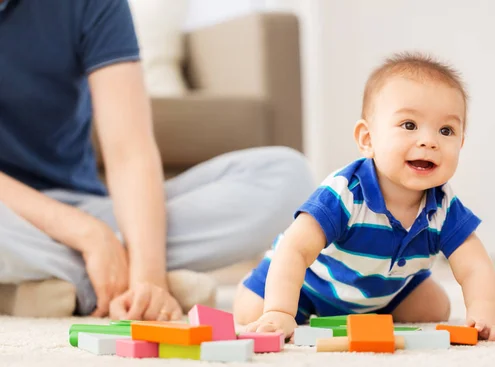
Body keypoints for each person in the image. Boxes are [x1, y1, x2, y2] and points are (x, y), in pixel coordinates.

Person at [0, 0, 314, 320]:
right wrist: (86, 235)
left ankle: (48, 283)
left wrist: (148, 278)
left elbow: (129, 150)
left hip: (86, 206)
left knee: (289, 178)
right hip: (14, 218)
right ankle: (88, 279)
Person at [234, 52, 495, 342]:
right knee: (251, 311)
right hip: (309, 285)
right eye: (409, 125)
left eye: (446, 130)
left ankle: (366, 310)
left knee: (435, 308)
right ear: (367, 139)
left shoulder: (443, 207)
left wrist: (484, 315)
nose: (429, 141)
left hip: (382, 291)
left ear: (461, 143)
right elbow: (296, 250)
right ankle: (266, 296)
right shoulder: (345, 193)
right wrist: (280, 311)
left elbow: (475, 266)